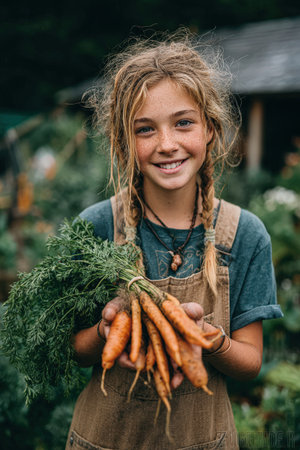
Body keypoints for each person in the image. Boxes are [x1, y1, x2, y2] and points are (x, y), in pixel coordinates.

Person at [66, 32, 283, 450]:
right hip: (104, 438)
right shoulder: (95, 227)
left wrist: (206, 337)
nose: (167, 145)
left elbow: (251, 362)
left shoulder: (244, 234)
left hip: (204, 438)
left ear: (211, 130)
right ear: (123, 142)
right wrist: (104, 330)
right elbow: (75, 349)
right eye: (144, 129)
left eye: (183, 122)